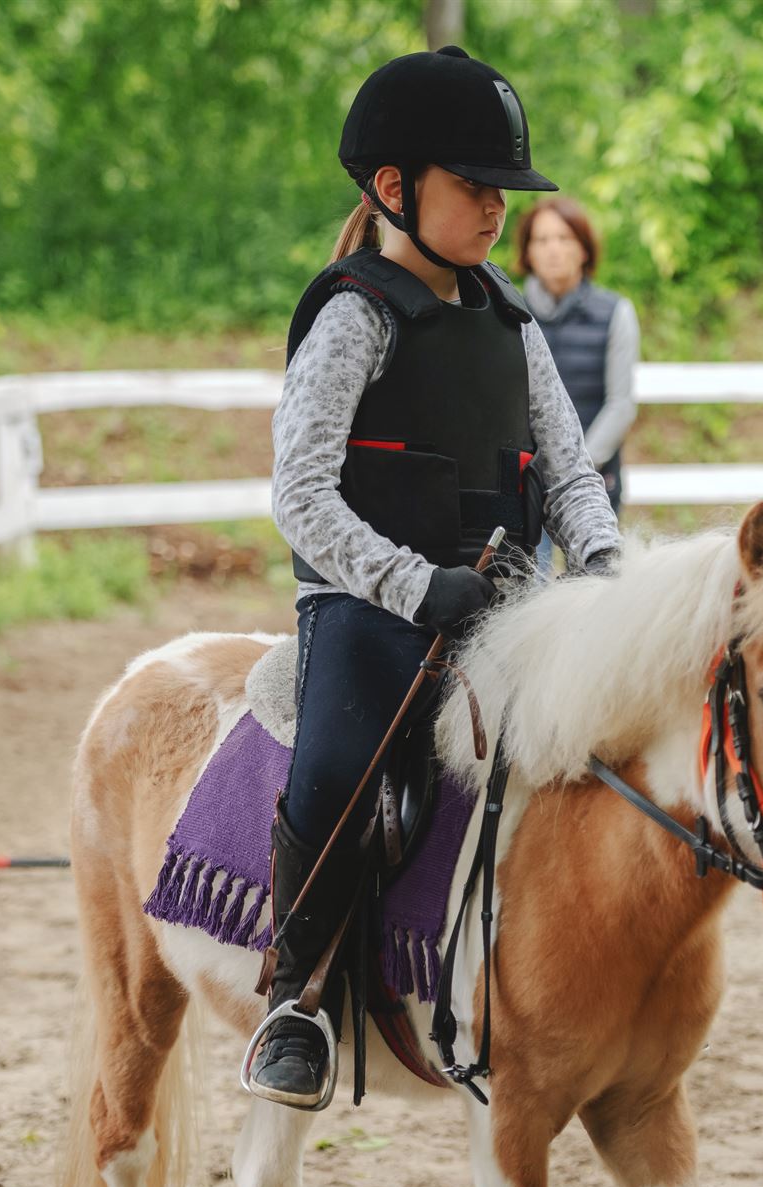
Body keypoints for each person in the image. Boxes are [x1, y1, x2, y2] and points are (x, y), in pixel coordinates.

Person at [248, 46, 623, 1109]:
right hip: (369, 604)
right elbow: (301, 495)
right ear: (395, 189)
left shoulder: (511, 322)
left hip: (506, 600)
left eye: (503, 188)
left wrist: (602, 568)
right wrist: (414, 586)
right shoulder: (353, 314)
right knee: (338, 769)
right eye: (476, 187)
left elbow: (569, 472)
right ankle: (297, 996)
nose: (499, 209)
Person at [515, 197, 639, 528]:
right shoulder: (509, 312)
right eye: (541, 240)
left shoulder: (616, 313)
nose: (553, 249)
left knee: (595, 578)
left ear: (584, 249)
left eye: (564, 238)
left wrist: (575, 467)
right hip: (524, 483)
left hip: (595, 478)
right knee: (532, 580)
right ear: (528, 252)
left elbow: (621, 406)